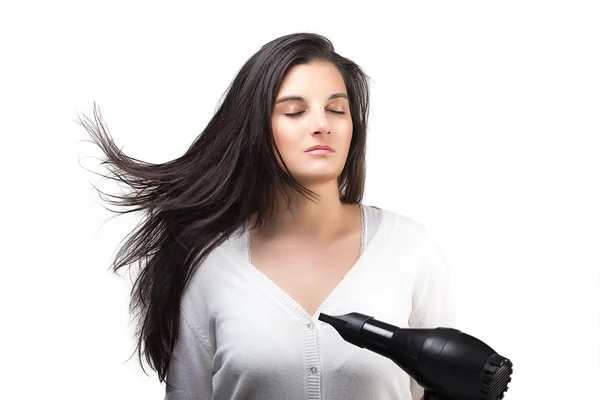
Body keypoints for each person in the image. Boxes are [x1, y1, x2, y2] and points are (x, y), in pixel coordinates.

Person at [78, 32, 456, 400]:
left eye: (337, 110)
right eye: (294, 111)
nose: (321, 124)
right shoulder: (211, 267)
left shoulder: (408, 248)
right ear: (258, 129)